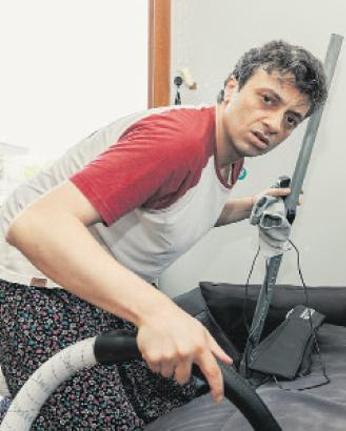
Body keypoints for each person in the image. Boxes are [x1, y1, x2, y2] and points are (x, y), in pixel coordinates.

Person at [0, 40, 327, 429]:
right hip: (38, 278)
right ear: (231, 87)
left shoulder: (230, 154)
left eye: (291, 119)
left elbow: (177, 210)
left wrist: (252, 205)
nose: (274, 124)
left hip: (99, 282)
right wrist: (158, 311)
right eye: (267, 100)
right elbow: (37, 225)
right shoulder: (178, 140)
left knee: (175, 394)